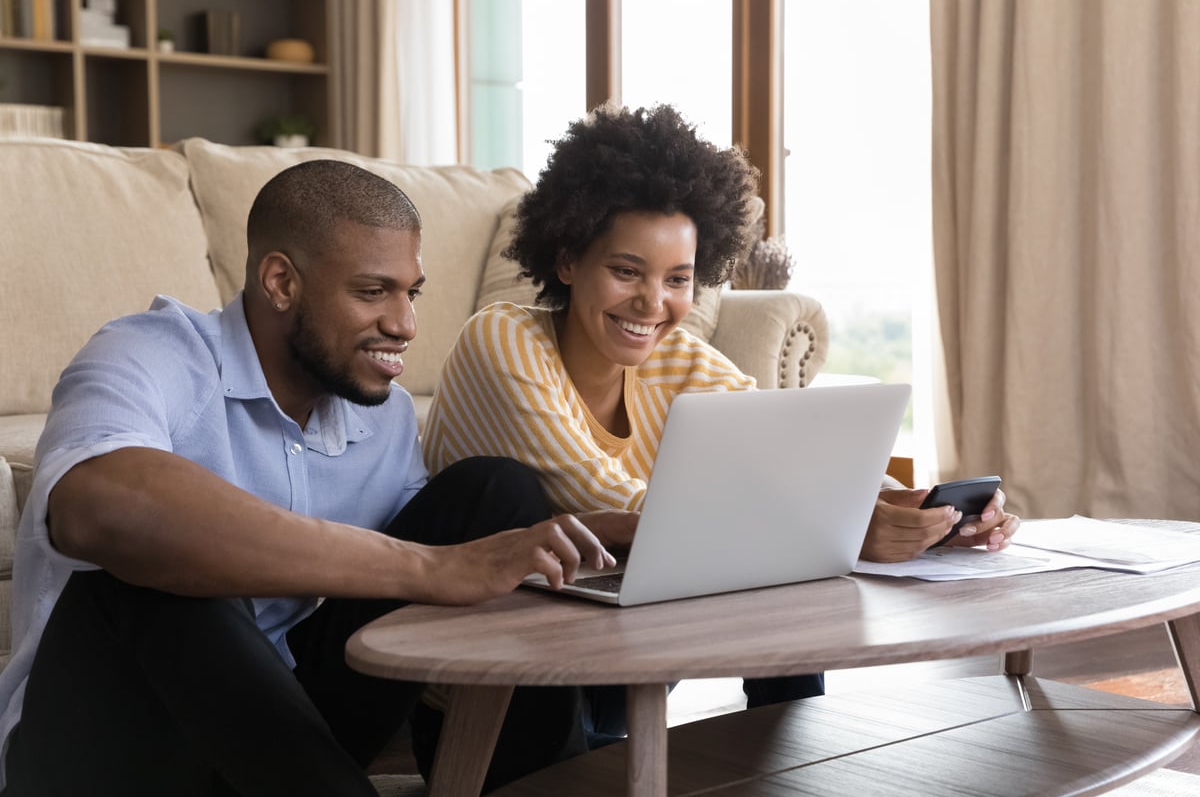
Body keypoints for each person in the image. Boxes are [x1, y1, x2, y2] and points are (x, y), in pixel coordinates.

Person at [0, 160, 619, 796]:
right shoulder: (147, 354)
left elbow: (448, 555)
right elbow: (96, 508)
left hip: (280, 736)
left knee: (497, 493)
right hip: (111, 756)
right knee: (152, 571)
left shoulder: (383, 415)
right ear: (281, 282)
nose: (405, 324)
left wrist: (580, 535)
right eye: (373, 291)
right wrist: (430, 569)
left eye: (413, 293)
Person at [420, 103, 1022, 752]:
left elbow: (797, 461)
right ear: (566, 261)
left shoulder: (679, 360)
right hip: (490, 695)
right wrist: (842, 528)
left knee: (783, 549)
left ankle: (788, 763)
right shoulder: (502, 340)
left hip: (614, 652)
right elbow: (614, 504)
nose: (654, 304)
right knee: (767, 538)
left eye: (677, 279)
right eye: (626, 271)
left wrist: (926, 516)